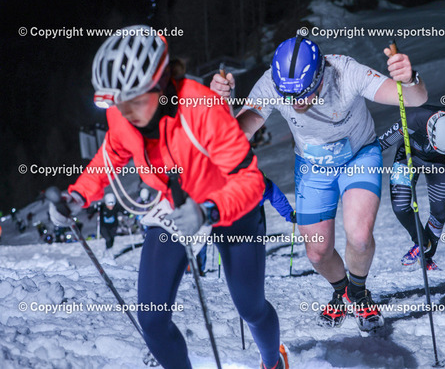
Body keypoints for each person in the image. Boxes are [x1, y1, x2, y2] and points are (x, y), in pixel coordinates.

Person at [48, 25, 287, 369]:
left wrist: (208, 211)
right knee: (152, 319)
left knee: (251, 307)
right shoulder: (121, 113)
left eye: (135, 100)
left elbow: (249, 179)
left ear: (161, 84)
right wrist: (76, 197)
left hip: (230, 207)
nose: (125, 111)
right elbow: (110, 156)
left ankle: (274, 362)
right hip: (174, 208)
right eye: (117, 102)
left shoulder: (203, 108)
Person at [210, 35, 428, 331]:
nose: (295, 102)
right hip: (312, 167)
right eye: (287, 96)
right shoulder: (272, 83)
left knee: (360, 237)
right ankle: (342, 292)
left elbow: (413, 99)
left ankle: (359, 294)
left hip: (358, 157)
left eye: (303, 93)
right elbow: (233, 140)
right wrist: (220, 105)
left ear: (320, 75)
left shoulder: (346, 72)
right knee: (317, 252)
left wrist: (410, 80)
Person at [378, 104, 445, 270]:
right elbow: (380, 144)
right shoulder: (412, 120)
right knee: (400, 206)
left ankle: (426, 256)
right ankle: (420, 242)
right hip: (408, 157)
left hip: (439, 163)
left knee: (440, 213)